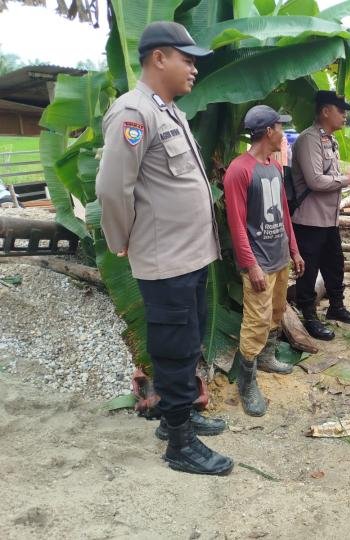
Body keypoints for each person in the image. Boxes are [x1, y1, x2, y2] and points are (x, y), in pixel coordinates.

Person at [95, 21, 233, 476]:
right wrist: (120, 243)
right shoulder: (133, 113)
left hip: (189, 256)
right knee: (173, 350)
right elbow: (115, 189)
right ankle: (179, 443)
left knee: (187, 342)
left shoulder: (168, 111)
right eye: (186, 58)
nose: (193, 68)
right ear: (159, 58)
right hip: (165, 260)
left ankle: (183, 415)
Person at [223, 105, 304, 416]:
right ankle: (247, 382)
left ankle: (268, 358)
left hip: (280, 257)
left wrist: (294, 250)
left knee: (276, 312)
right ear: (268, 131)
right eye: (279, 128)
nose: (283, 133)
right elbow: (236, 223)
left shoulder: (273, 166)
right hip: (259, 262)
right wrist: (251, 265)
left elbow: (284, 213)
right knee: (255, 322)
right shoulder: (239, 170)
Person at [290, 90, 350, 340]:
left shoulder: (330, 140)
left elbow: (329, 176)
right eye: (340, 110)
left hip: (328, 220)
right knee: (309, 271)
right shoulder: (308, 140)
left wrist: (349, 176)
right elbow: (315, 181)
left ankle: (336, 307)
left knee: (335, 265)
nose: (345, 115)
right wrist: (348, 179)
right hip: (309, 221)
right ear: (325, 111)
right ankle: (309, 315)